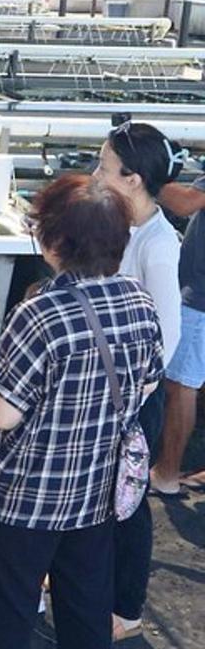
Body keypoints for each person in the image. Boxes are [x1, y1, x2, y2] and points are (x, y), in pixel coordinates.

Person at [0, 175, 164, 649]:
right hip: (97, 494)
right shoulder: (139, 302)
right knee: (85, 611)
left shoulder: (40, 313)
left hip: (28, 497)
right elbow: (148, 382)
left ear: (55, 240)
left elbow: (1, 415)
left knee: (12, 614)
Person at [92, 121, 187, 641]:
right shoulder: (118, 222)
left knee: (128, 505)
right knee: (97, 496)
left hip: (133, 398)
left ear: (132, 179)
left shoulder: (158, 242)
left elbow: (167, 333)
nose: (96, 174)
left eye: (104, 167)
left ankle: (126, 611)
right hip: (110, 388)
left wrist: (136, 392)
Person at [152, 172, 205, 494]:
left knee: (181, 385)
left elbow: (186, 203)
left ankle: (167, 475)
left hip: (201, 296)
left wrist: (142, 175)